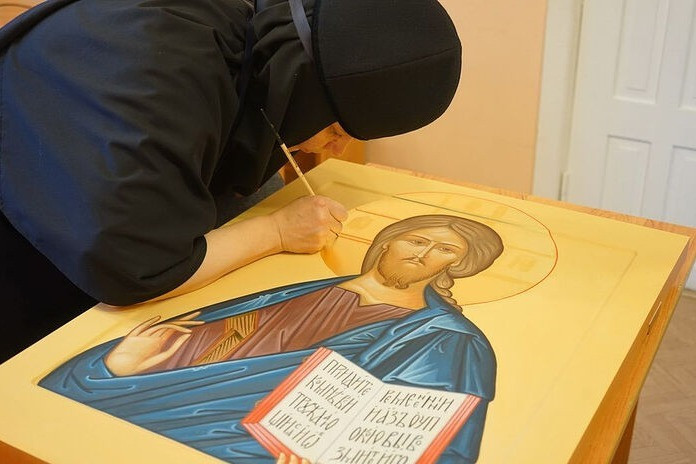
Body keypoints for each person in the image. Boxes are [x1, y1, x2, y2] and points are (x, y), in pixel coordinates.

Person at [0, 0, 462, 361]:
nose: (332, 151)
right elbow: (136, 270)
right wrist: (276, 231)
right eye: (336, 131)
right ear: (307, 93)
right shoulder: (158, 84)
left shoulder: (265, 38)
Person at [40, 214, 504, 464]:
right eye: (417, 240)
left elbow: (441, 442)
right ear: (388, 242)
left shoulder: (446, 340)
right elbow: (197, 343)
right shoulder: (292, 290)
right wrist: (112, 368)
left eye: (444, 249)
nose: (424, 253)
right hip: (135, 413)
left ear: (456, 267)